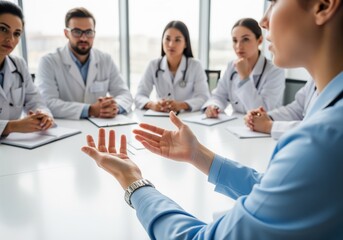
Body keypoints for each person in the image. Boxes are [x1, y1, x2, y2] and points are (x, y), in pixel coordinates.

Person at [82, 0, 343, 239]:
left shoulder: (322, 140)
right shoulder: (327, 120)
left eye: (274, 2)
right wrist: (199, 155)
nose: (264, 20)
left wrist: (133, 182)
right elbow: (278, 192)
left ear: (323, 5)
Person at [35, 7, 133, 120]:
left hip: (99, 127)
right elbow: (46, 102)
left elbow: (125, 95)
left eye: (89, 32)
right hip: (67, 128)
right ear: (66, 33)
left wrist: (115, 107)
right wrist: (90, 110)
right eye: (77, 32)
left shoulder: (106, 59)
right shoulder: (48, 62)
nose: (83, 38)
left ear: (94, 34)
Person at [202, 18, 285, 118]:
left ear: (260, 40)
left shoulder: (275, 70)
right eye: (235, 40)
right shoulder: (232, 66)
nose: (238, 46)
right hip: (236, 125)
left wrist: (244, 78)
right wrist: (214, 106)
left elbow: (262, 112)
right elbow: (219, 95)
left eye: (245, 39)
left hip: (263, 129)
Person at [0, 1, 54, 137]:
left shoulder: (18, 64)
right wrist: (11, 126)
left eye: (17, 33)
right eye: (3, 29)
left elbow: (35, 100)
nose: (10, 39)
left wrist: (42, 114)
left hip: (14, 148)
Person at [134, 20, 210, 112]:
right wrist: (152, 104)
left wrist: (182, 105)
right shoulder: (153, 65)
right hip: (161, 116)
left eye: (177, 40)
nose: (171, 44)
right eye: (167, 39)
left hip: (186, 117)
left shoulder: (195, 66)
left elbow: (204, 97)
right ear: (162, 41)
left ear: (185, 43)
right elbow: (139, 96)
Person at [244, 79, 317, 139]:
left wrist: (268, 126)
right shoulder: (313, 82)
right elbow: (295, 111)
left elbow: (317, 129)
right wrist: (263, 117)